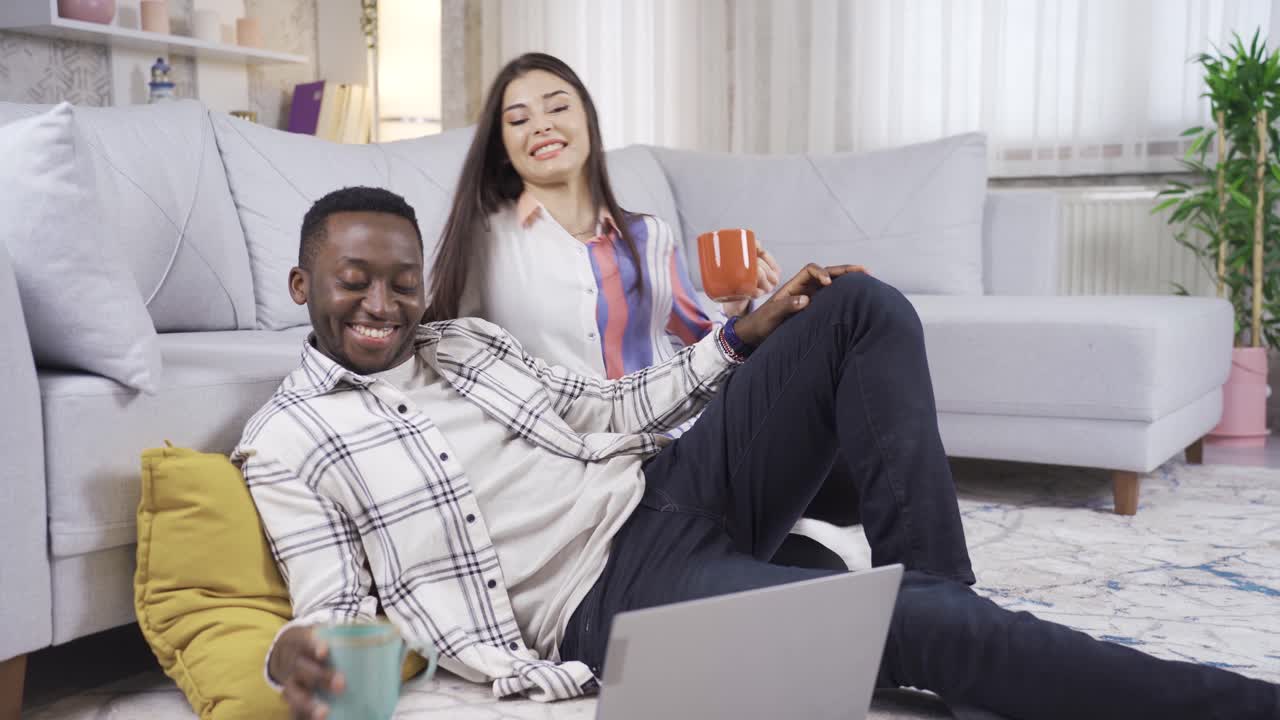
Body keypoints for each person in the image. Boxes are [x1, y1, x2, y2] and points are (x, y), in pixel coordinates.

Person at [235, 186, 1279, 720]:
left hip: (664, 488)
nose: (382, 304)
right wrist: (294, 654)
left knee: (855, 306)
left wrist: (741, 334)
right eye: (352, 281)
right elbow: (328, 602)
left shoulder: (464, 344)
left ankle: (945, 613)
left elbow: (612, 413)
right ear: (302, 288)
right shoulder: (290, 438)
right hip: (609, 598)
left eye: (401, 280)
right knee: (908, 620)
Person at [427, 52, 858, 569]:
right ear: (502, 148)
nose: (540, 124)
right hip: (588, 474)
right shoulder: (484, 241)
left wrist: (738, 304)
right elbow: (450, 357)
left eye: (557, 107)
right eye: (518, 119)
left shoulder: (649, 235)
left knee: (848, 469)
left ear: (587, 119)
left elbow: (706, 350)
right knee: (819, 564)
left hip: (685, 445)